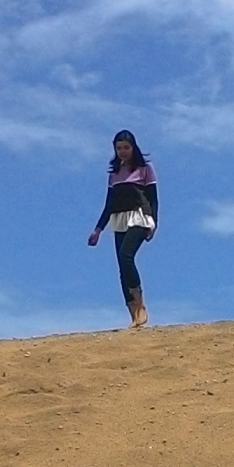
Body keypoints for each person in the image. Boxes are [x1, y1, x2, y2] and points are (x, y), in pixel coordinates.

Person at [86, 129, 158, 327]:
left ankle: (141, 305)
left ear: (133, 147)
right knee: (121, 266)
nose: (123, 151)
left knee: (127, 255)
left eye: (126, 147)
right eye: (119, 148)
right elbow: (109, 204)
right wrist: (98, 230)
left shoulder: (145, 169)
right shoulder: (114, 174)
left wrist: (154, 222)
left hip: (139, 217)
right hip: (119, 219)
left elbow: (153, 198)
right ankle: (133, 314)